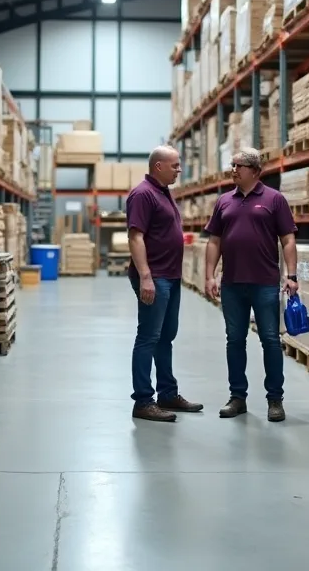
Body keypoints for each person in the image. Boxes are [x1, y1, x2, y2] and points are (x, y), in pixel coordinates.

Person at [204, 146, 299, 422]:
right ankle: (237, 397)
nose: (233, 170)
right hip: (232, 284)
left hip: (265, 283)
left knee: (270, 340)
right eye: (232, 165)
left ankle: (275, 399)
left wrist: (291, 276)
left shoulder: (274, 199)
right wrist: (210, 275)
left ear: (255, 171)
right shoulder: (224, 201)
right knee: (234, 340)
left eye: (239, 166)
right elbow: (214, 241)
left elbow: (288, 239)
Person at [125, 145, 204, 422]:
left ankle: (168, 393)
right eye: (175, 165)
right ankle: (143, 401)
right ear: (158, 166)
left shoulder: (163, 193)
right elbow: (135, 237)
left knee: (165, 337)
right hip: (154, 277)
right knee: (148, 337)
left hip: (170, 276)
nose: (179, 170)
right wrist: (145, 276)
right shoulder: (143, 194)